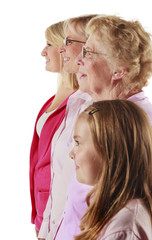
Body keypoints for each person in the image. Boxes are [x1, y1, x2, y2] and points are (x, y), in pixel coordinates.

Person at [54, 14, 152, 239]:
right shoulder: (98, 114)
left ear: (118, 70)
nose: (78, 60)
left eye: (88, 53)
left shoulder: (142, 129)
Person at [70, 100, 152, 240]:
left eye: (78, 143)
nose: (71, 154)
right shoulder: (122, 214)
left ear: (109, 151)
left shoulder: (125, 227)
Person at [38, 15, 97, 240]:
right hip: (53, 219)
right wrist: (45, 224)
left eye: (67, 42)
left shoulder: (96, 109)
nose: (61, 50)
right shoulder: (74, 102)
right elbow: (56, 170)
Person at [29, 21, 78, 237]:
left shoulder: (79, 102)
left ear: (62, 48)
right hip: (43, 209)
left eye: (49, 44)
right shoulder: (53, 99)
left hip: (61, 214)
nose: (43, 52)